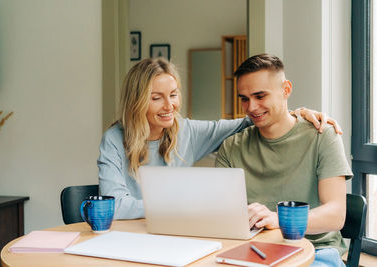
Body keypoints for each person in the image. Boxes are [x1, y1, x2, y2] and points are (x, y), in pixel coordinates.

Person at [98, 57, 342, 220]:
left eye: (173, 95)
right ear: (137, 100)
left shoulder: (186, 131)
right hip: (128, 234)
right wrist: (179, 207)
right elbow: (114, 206)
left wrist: (295, 113)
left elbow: (254, 118)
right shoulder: (114, 139)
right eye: (156, 98)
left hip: (170, 234)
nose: (169, 105)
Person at [215, 54, 353, 267]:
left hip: (316, 253)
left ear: (286, 90)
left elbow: (335, 214)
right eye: (244, 98)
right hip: (251, 252)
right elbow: (220, 213)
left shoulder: (322, 136)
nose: (251, 107)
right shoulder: (231, 147)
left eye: (260, 96)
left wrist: (278, 219)